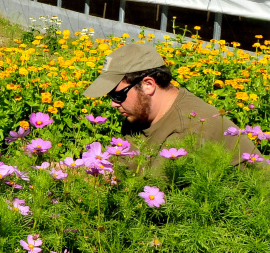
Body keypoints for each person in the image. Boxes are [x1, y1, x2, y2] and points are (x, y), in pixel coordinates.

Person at [82, 43, 261, 165]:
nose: (113, 103)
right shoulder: (141, 114)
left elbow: (153, 198)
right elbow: (125, 166)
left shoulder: (188, 129)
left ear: (148, 85)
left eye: (117, 94)